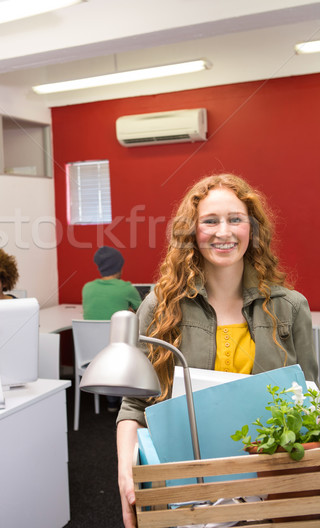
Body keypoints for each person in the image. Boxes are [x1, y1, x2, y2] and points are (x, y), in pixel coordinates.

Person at [116, 173, 318, 528]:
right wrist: (126, 476)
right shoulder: (159, 309)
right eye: (210, 221)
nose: (223, 232)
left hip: (267, 489)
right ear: (191, 232)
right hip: (186, 492)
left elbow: (311, 406)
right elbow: (133, 407)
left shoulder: (291, 308)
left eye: (235, 219)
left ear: (251, 229)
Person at [82, 246, 142, 411]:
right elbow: (143, 312)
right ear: (119, 266)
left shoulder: (87, 288)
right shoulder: (126, 288)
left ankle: (110, 400)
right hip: (116, 355)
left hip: (91, 356)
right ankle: (124, 401)